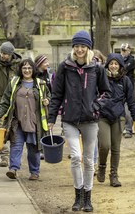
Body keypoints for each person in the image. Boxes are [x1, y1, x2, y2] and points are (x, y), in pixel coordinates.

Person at [48, 30, 111, 212]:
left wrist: (96, 106)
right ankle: (78, 196)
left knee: (89, 160)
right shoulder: (65, 67)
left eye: (83, 46)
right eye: (77, 46)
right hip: (70, 120)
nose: (80, 49)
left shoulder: (97, 68)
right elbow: (57, 94)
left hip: (90, 120)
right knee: (76, 157)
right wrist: (52, 118)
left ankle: (88, 197)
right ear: (73, 47)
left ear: (88, 48)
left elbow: (106, 92)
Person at [0, 58, 51, 181]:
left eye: (29, 68)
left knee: (33, 148)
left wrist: (48, 101)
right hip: (17, 122)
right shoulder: (14, 82)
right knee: (16, 145)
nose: (26, 70)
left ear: (33, 69)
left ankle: (34, 172)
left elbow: (49, 97)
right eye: (24, 68)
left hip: (34, 123)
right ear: (20, 69)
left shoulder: (41, 84)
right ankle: (13, 169)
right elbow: (5, 100)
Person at [97, 53, 135, 187]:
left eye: (116, 64)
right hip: (103, 116)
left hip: (118, 116)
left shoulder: (125, 81)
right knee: (105, 145)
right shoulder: (101, 78)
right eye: (111, 63)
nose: (113, 66)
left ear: (120, 66)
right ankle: (102, 166)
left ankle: (114, 175)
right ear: (107, 65)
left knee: (116, 147)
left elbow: (131, 101)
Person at [0, 41, 22, 167]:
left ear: (11, 54)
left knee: (14, 130)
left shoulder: (19, 65)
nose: (2, 55)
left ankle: (15, 156)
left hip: (14, 102)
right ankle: (4, 157)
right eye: (1, 52)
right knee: (0, 129)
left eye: (5, 53)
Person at [35, 54, 55, 160]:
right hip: (38, 105)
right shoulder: (35, 75)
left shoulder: (50, 73)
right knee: (40, 127)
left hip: (49, 103)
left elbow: (54, 88)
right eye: (45, 63)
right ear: (39, 64)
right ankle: (40, 148)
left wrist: (50, 100)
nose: (47, 64)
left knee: (48, 125)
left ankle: (47, 147)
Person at [120, 43, 135, 138]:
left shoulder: (131, 60)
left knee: (128, 109)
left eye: (124, 51)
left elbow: (124, 69)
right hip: (120, 87)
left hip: (128, 88)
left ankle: (129, 130)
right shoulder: (119, 59)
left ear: (129, 51)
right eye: (122, 50)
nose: (122, 52)